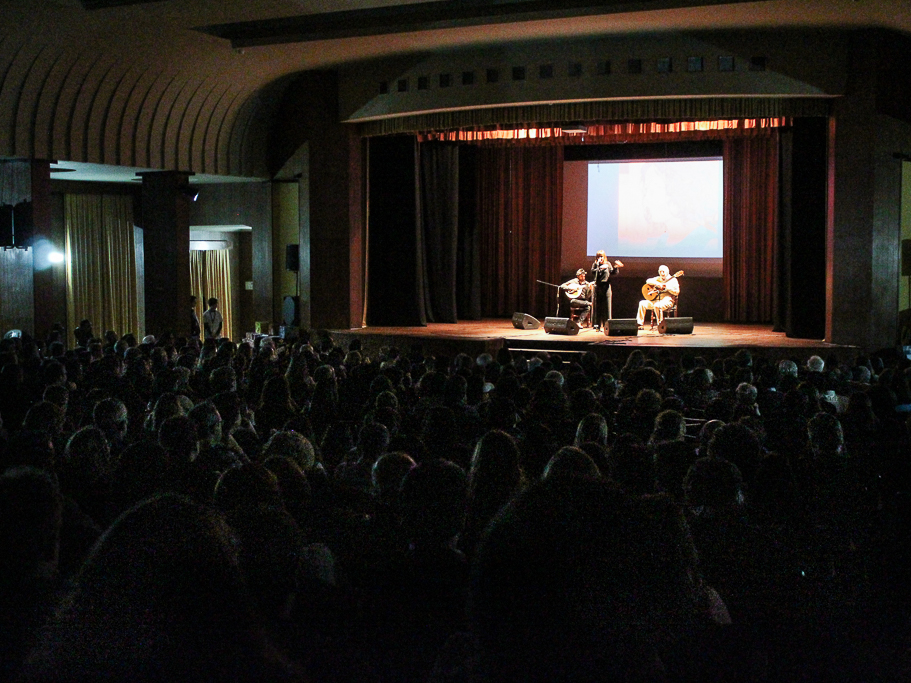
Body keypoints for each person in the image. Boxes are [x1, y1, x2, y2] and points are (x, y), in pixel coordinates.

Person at [589, 250, 623, 330]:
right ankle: (596, 324)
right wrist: (599, 268)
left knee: (607, 306)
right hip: (598, 287)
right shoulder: (595, 264)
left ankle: (607, 324)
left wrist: (616, 267)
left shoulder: (608, 264)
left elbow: (613, 272)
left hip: (606, 286)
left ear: (604, 257)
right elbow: (593, 273)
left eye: (601, 256)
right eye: (598, 256)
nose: (600, 258)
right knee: (597, 306)